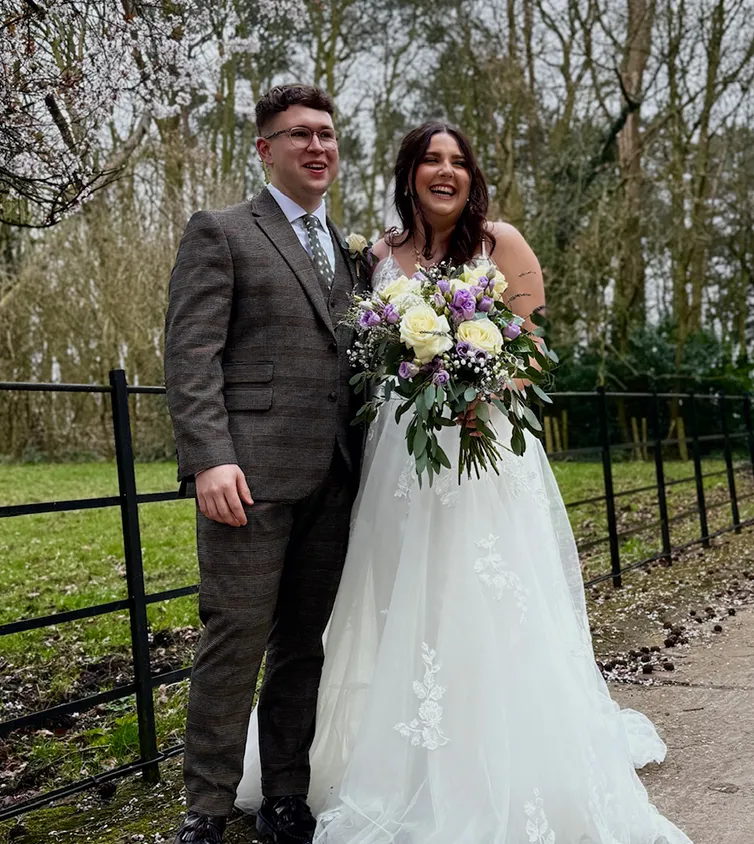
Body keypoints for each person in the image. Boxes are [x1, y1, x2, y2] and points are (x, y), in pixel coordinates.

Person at [236, 122, 692, 844]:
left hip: (485, 449)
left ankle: (495, 759)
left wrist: (478, 388)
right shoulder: (379, 253)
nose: (444, 171)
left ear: (472, 177)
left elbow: (535, 349)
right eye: (429, 160)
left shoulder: (501, 243)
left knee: (480, 600)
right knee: (394, 599)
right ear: (408, 173)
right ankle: (393, 756)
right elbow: (363, 349)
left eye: (457, 161)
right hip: (397, 457)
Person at [164, 84, 365, 844]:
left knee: (300, 647)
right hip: (244, 482)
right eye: (299, 135)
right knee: (234, 640)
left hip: (333, 480)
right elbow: (190, 354)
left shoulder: (347, 254)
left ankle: (285, 795)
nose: (318, 147)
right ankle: (206, 808)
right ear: (264, 148)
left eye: (327, 135)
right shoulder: (221, 231)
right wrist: (210, 457)